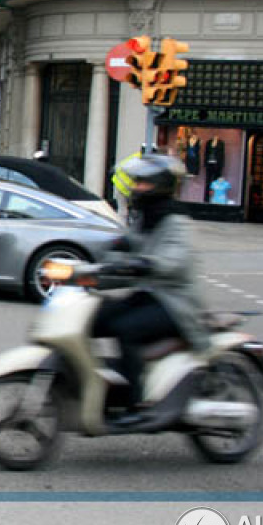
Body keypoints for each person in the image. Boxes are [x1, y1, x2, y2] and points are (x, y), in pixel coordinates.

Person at [94, 153, 211, 421]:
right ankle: (104, 382)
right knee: (96, 316)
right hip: (149, 295)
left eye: (143, 184)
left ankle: (134, 404)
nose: (137, 188)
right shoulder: (146, 218)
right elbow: (127, 245)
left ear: (159, 186)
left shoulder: (175, 220)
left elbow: (174, 262)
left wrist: (143, 263)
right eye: (136, 183)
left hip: (175, 303)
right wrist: (101, 265)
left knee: (127, 329)